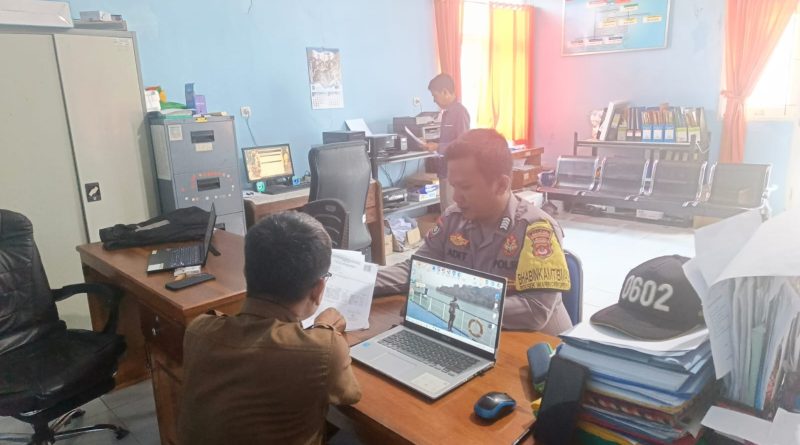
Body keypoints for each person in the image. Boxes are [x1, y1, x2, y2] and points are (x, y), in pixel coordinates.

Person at [178, 212, 361, 445]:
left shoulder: (198, 330)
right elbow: (351, 395)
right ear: (318, 289)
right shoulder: (324, 350)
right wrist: (325, 329)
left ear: (246, 273)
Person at [375, 129, 573, 335]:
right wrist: (363, 281)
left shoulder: (536, 229)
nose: (456, 197)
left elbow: (536, 311)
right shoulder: (453, 219)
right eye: (454, 186)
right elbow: (416, 269)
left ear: (501, 185)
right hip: (472, 334)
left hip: (535, 347)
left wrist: (447, 304)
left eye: (465, 187)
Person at [425, 73, 470, 210]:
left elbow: (462, 144)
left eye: (435, 96)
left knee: (452, 210)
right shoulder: (446, 113)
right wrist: (430, 142)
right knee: (445, 210)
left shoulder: (460, 112)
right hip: (444, 170)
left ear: (445, 92)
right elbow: (447, 139)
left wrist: (438, 147)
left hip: (454, 172)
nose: (434, 100)